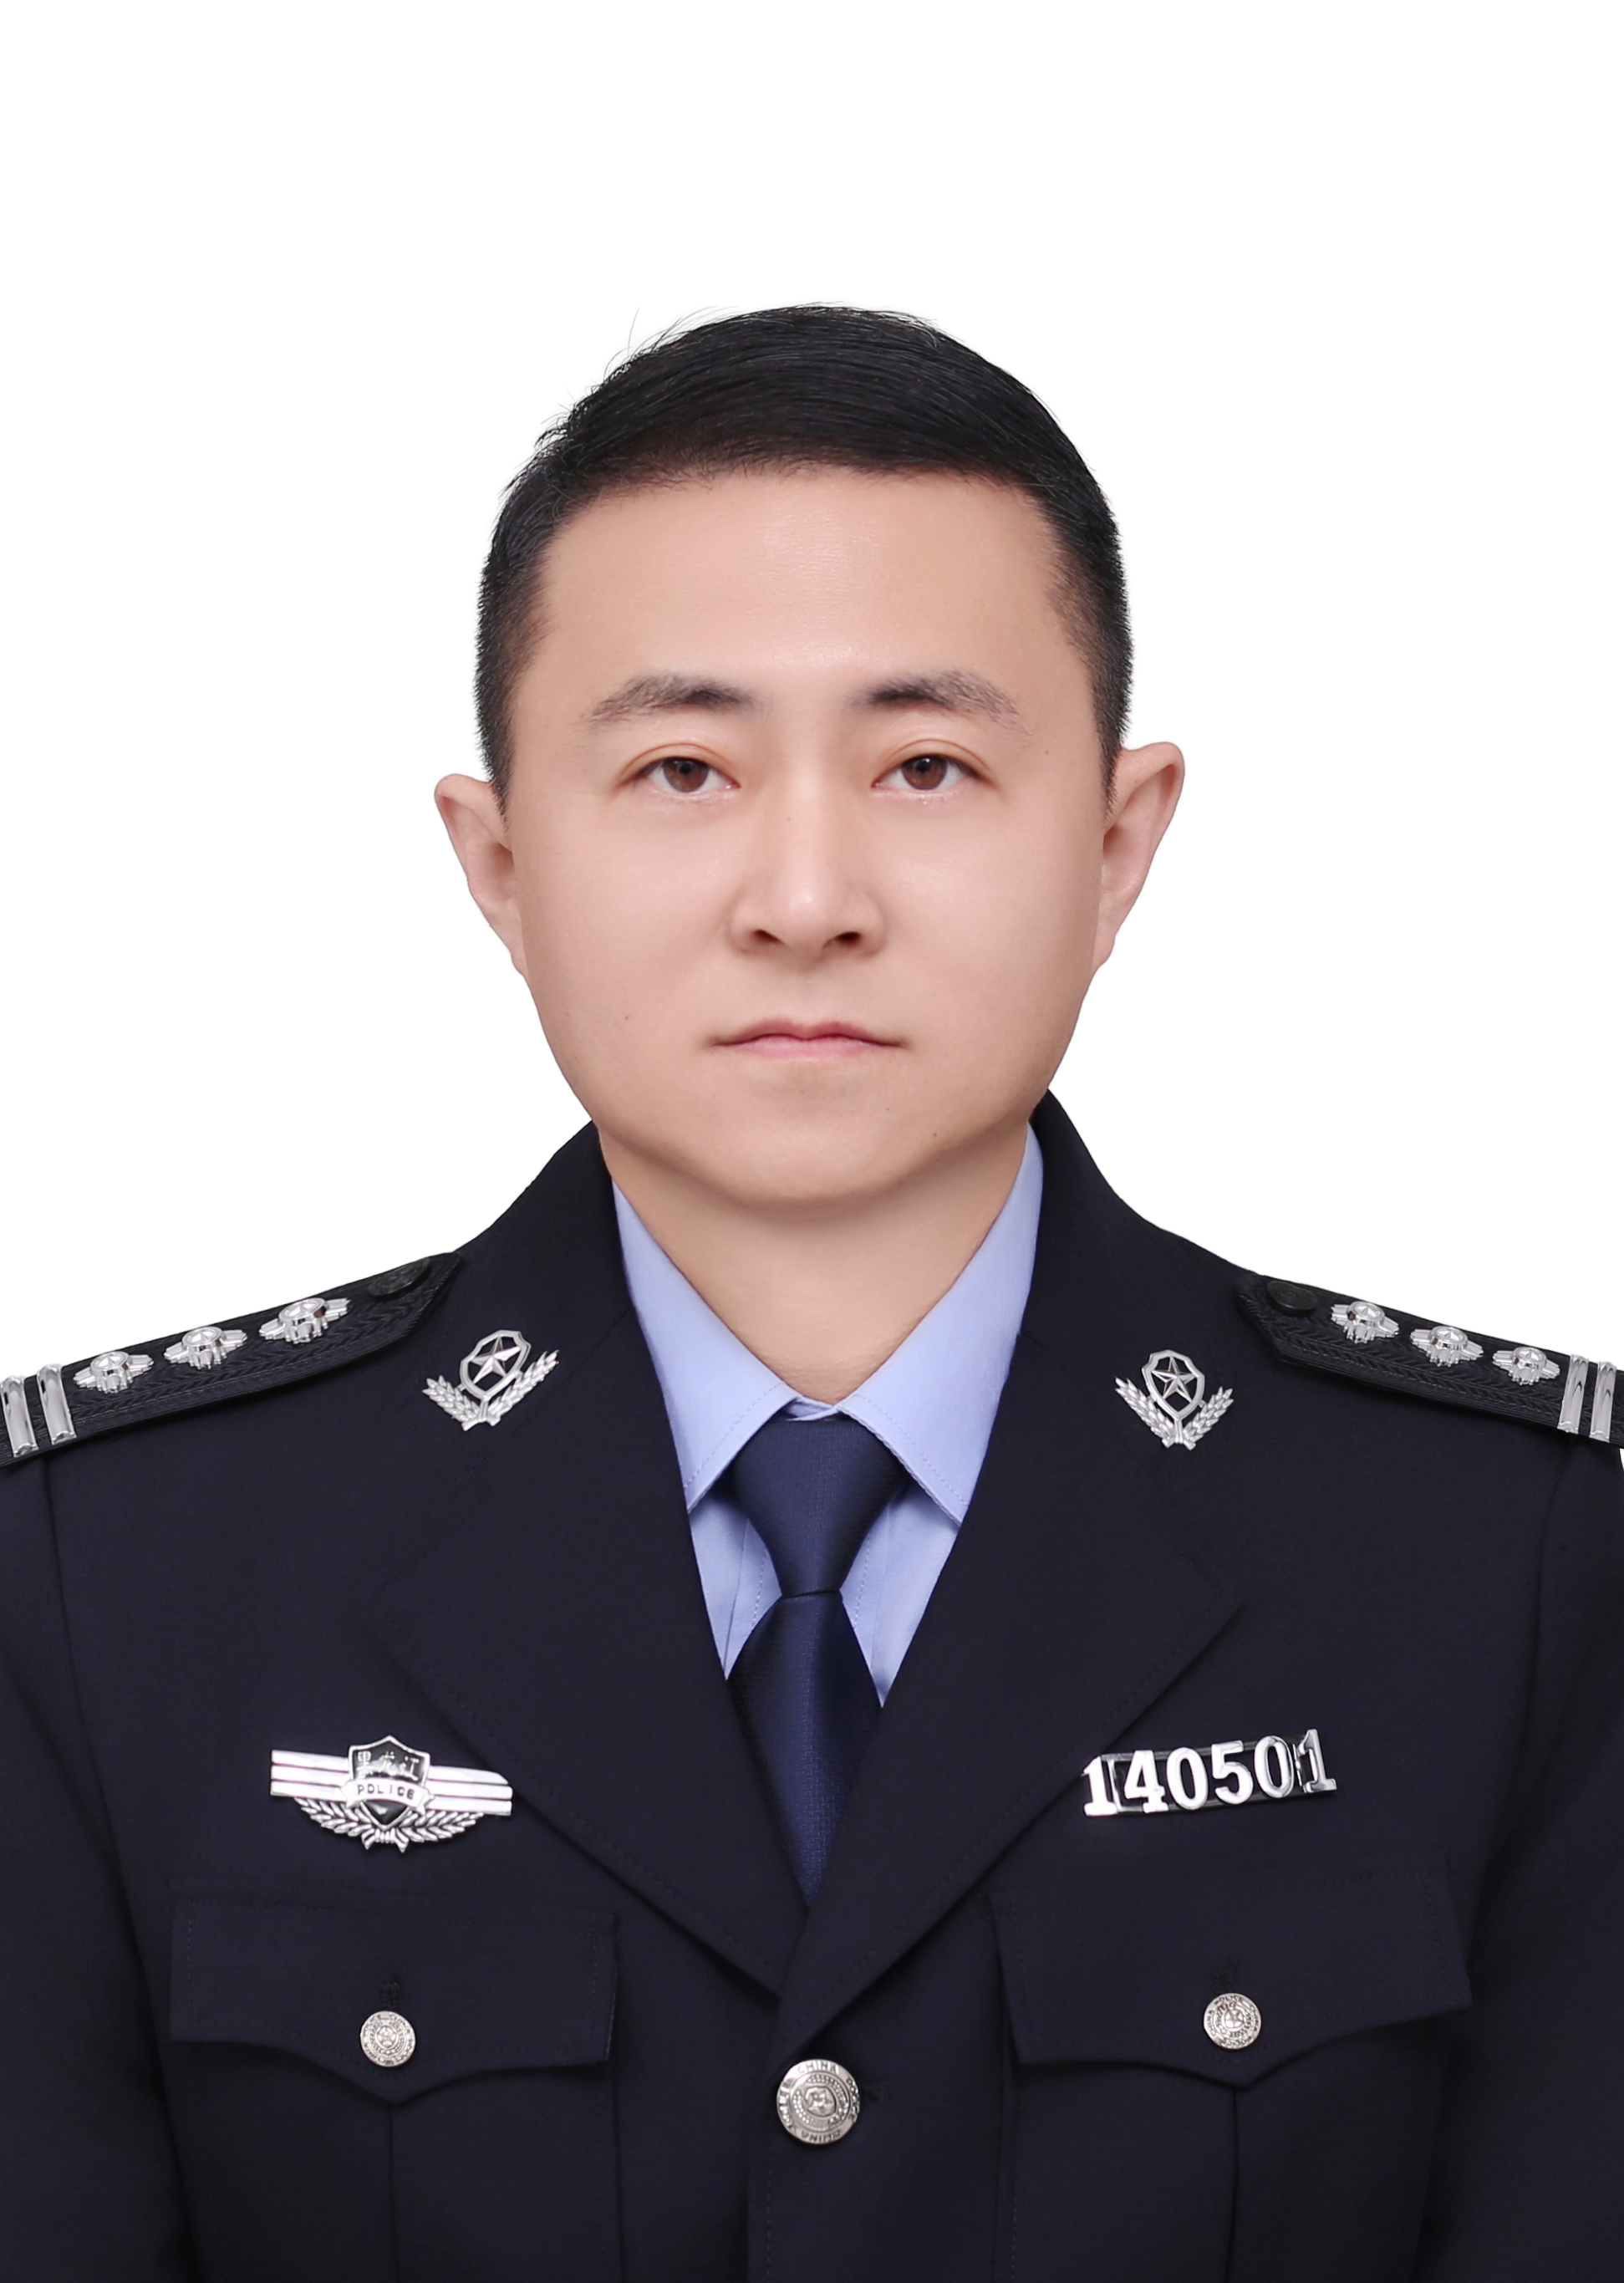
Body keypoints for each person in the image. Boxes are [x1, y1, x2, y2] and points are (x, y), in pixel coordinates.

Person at [2, 306, 1620, 2283]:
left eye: (926, 765)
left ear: (1117, 843)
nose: (803, 896)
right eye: (683, 767)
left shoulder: (1515, 1561)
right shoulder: (108, 1580)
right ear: (500, 862)